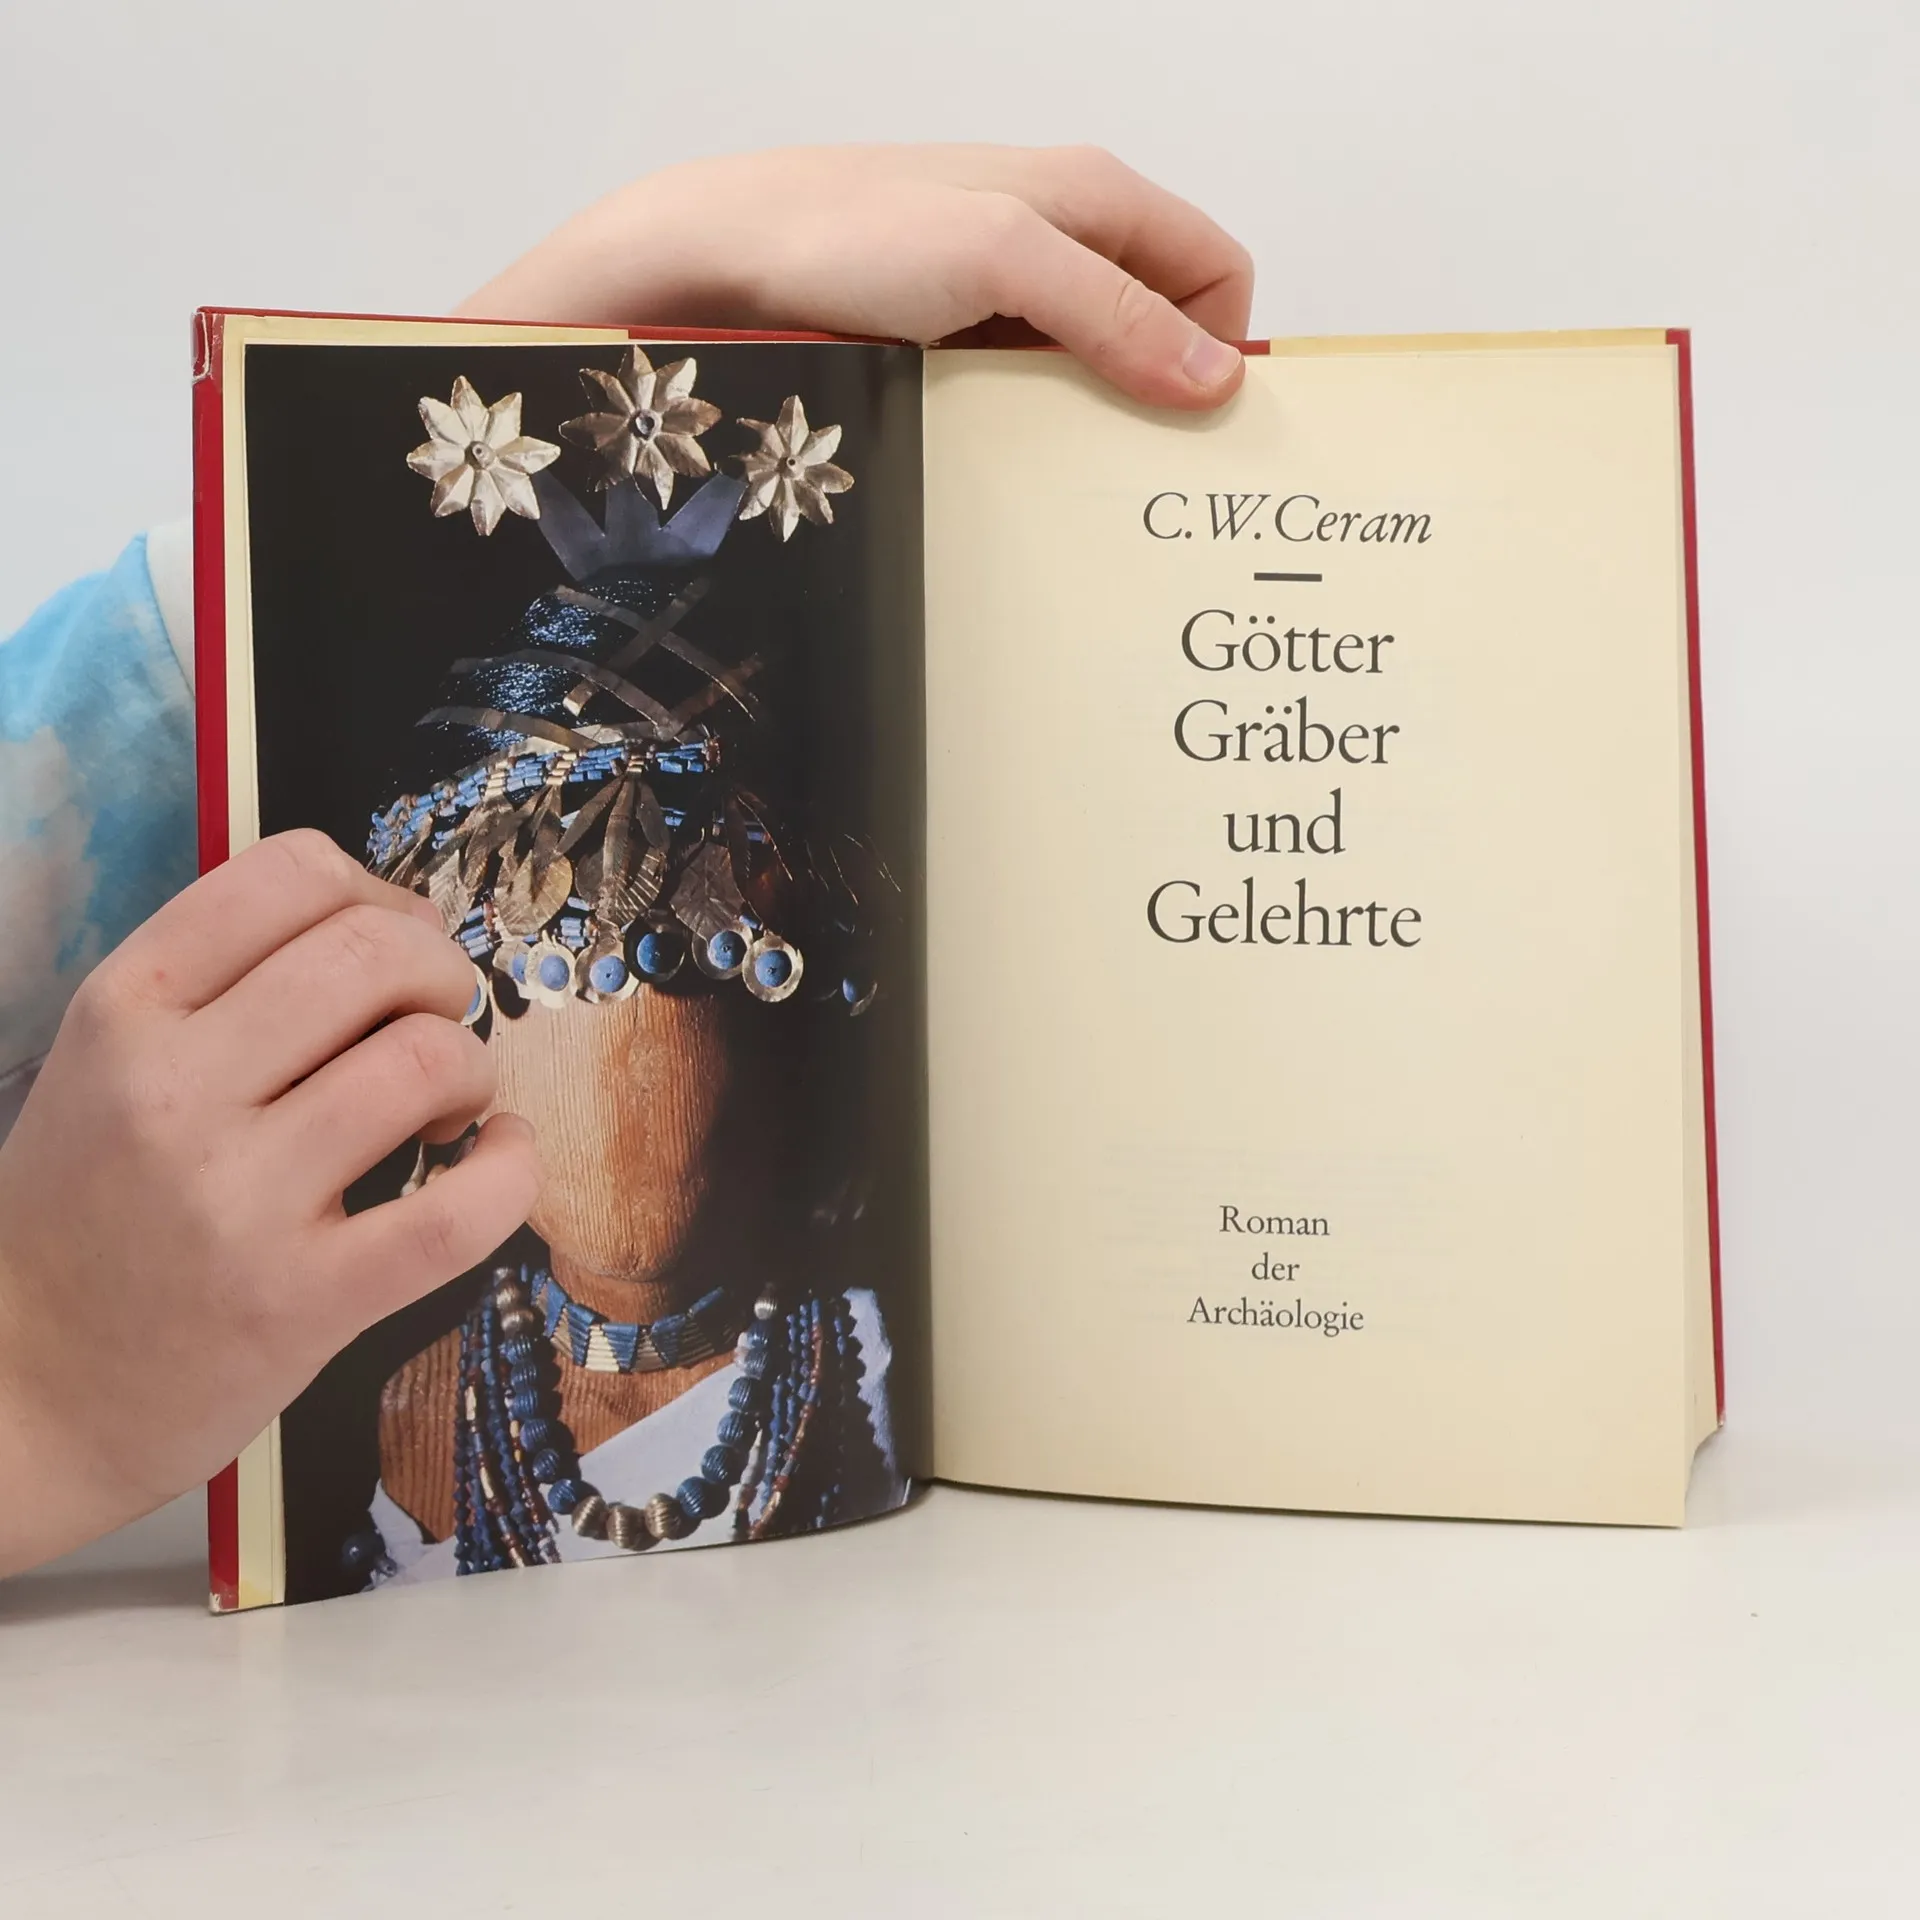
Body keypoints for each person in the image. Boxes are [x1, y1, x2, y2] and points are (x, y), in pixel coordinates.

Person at [0, 144, 1255, 1580]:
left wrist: (560, 302)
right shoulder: (385, 1411)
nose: (633, 1051)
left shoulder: (887, 1352)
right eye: (556, 962)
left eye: (706, 959)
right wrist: (38, 1383)